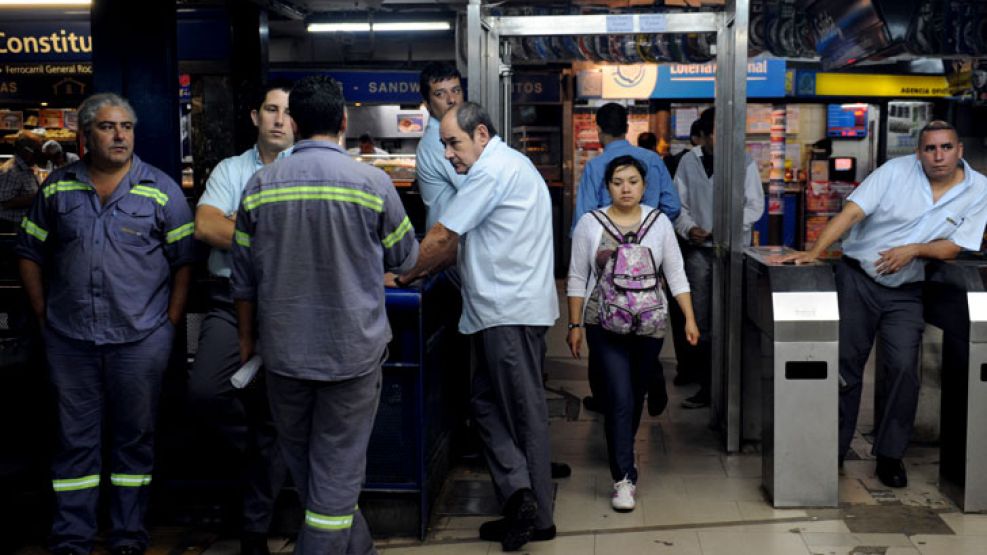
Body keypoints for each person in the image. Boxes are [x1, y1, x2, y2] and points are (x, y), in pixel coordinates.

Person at [231, 75, 418, 555]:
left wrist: (249, 343)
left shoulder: (259, 186)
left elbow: (244, 280)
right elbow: (406, 260)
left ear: (292, 123)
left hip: (284, 358)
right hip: (351, 357)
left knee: (315, 478)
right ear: (343, 121)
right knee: (333, 489)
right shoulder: (372, 183)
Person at [16, 92, 194, 555]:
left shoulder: (161, 190)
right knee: (73, 443)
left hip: (139, 341)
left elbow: (184, 263)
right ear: (85, 135)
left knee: (134, 444)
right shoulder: (57, 189)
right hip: (70, 340)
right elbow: (29, 253)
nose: (120, 136)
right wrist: (43, 316)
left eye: (127, 128)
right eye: (108, 127)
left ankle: (128, 537)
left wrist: (168, 326)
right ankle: (71, 538)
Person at [779, 120, 987, 488]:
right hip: (858, 278)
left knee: (905, 369)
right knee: (846, 366)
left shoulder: (980, 190)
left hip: (907, 290)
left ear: (960, 151)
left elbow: (956, 247)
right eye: (930, 148)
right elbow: (853, 212)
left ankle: (890, 455)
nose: (938, 156)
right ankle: (833, 448)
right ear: (918, 152)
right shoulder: (894, 172)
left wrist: (914, 250)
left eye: (946, 147)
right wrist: (814, 252)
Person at [394, 102, 559, 552]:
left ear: (481, 134)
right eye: (445, 143)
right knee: (484, 405)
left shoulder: (491, 170)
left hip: (509, 312)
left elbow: (445, 235)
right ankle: (519, 496)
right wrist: (420, 270)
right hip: (504, 311)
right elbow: (458, 244)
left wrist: (404, 274)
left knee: (523, 414)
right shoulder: (509, 165)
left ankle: (539, 515)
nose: (447, 154)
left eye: (454, 143)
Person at [189, 80, 294, 555]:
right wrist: (271, 235)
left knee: (274, 414)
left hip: (284, 305)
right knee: (206, 391)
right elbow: (207, 225)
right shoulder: (232, 169)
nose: (278, 119)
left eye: (287, 112)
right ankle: (256, 456)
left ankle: (255, 530)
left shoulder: (305, 170)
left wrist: (242, 226)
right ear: (255, 117)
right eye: (270, 109)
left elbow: (233, 227)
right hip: (229, 302)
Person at [567, 155, 699, 512]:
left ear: (644, 185)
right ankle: (623, 477)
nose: (626, 188)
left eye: (633, 181)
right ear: (607, 187)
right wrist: (575, 324)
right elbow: (577, 277)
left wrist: (688, 317)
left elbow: (675, 274)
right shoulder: (589, 224)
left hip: (649, 325)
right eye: (618, 182)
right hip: (602, 324)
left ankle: (625, 450)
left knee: (636, 396)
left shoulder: (659, 224)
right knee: (620, 398)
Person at [572, 102, 681, 415]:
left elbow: (583, 220)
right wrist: (649, 232)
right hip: (648, 264)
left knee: (606, 326)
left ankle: (607, 399)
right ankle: (651, 375)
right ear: (627, 128)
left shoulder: (597, 167)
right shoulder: (651, 161)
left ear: (599, 129)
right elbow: (672, 206)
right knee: (643, 316)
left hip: (607, 266)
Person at [673, 107, 764, 409]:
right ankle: (707, 387)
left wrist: (723, 227)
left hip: (734, 250)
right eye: (713, 132)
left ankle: (733, 389)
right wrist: (690, 229)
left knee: (733, 317)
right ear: (706, 132)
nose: (718, 138)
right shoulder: (689, 161)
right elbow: (678, 206)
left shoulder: (744, 161)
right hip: (699, 253)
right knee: (700, 320)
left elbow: (755, 207)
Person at [666, 118, 703, 387]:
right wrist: (689, 229)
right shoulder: (683, 163)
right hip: (688, 245)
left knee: (689, 310)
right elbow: (675, 206)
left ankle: (690, 369)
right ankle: (692, 369)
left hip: (688, 245)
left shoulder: (673, 161)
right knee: (689, 309)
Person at [415, 61, 466, 230]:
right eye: (440, 94)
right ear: (427, 105)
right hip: (448, 244)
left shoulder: (457, 135)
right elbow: (476, 187)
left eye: (456, 90)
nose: (452, 100)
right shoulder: (436, 141)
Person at [0, 131, 42, 230]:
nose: (40, 154)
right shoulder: (11, 171)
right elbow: (5, 202)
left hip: (27, 226)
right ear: (25, 151)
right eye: (37, 150)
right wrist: (38, 198)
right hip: (13, 227)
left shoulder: (29, 168)